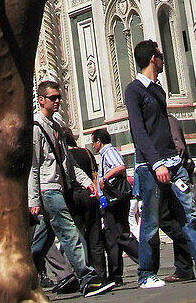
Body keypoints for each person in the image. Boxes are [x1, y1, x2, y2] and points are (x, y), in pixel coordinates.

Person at [124, 39, 196, 285]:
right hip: (151, 168)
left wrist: (173, 159)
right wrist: (157, 164)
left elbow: (162, 129)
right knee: (150, 222)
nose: (164, 59)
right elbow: (139, 132)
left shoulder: (158, 90)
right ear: (152, 59)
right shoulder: (134, 90)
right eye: (161, 55)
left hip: (173, 164)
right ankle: (146, 275)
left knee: (190, 216)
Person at [28, 80, 111, 297]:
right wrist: (33, 200)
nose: (57, 101)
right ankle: (87, 277)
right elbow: (33, 166)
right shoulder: (36, 128)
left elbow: (69, 163)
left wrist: (87, 183)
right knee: (69, 231)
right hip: (48, 190)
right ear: (41, 100)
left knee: (42, 241)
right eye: (53, 98)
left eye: (59, 97)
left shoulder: (55, 127)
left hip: (59, 187)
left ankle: (23, 278)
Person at [92, 128, 138, 285]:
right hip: (110, 201)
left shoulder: (108, 151)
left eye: (94, 142)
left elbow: (120, 166)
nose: (93, 146)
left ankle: (146, 260)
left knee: (120, 235)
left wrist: (104, 178)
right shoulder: (105, 153)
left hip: (116, 200)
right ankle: (115, 275)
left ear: (99, 141)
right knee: (111, 238)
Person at [65, 131, 107, 283]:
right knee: (95, 235)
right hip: (90, 194)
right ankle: (102, 274)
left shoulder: (63, 155)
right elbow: (94, 171)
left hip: (73, 197)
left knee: (79, 236)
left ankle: (87, 275)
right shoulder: (86, 152)